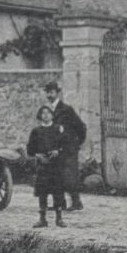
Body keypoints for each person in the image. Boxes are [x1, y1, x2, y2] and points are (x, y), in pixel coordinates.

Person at [43, 79, 87, 211]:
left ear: (57, 93)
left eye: (51, 92)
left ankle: (76, 202)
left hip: (68, 149)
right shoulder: (48, 111)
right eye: (47, 93)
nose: (49, 95)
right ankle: (59, 203)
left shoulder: (67, 110)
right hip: (56, 149)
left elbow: (81, 127)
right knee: (56, 175)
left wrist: (76, 144)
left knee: (70, 175)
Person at [26, 105, 67, 227]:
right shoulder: (36, 131)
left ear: (52, 115)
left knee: (58, 191)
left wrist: (57, 151)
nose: (45, 115)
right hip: (42, 165)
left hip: (55, 165)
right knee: (42, 192)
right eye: (43, 113)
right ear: (40, 116)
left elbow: (66, 146)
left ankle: (59, 219)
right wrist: (37, 155)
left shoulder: (58, 129)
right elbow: (30, 149)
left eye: (48, 112)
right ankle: (42, 219)